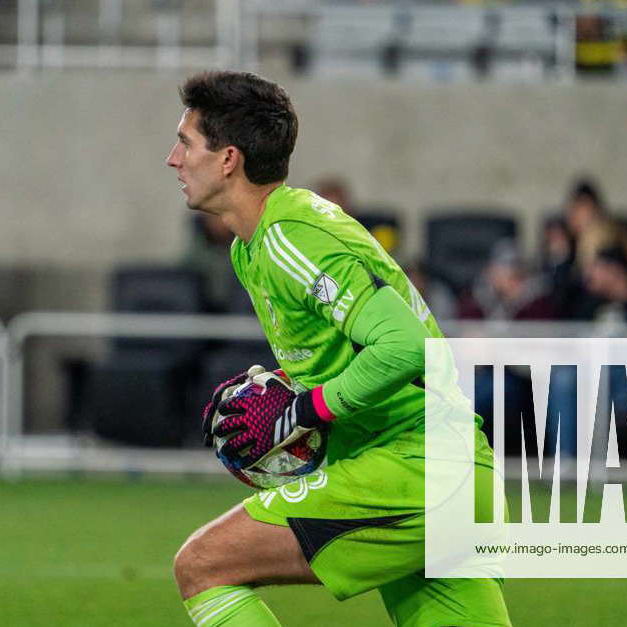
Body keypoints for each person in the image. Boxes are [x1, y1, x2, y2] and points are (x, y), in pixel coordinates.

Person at [167, 71, 510, 627]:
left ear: (228, 159)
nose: (173, 160)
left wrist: (302, 411)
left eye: (185, 143)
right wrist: (282, 387)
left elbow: (405, 347)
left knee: (203, 567)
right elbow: (349, 352)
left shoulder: (289, 237)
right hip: (443, 471)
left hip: (417, 473)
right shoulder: (252, 248)